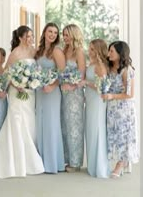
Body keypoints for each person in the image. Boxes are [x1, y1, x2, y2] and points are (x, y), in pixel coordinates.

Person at [0, 25, 44, 178]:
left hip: (30, 92)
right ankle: (15, 162)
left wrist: (33, 81)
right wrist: (17, 84)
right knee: (17, 122)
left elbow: (37, 70)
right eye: (28, 36)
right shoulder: (14, 54)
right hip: (16, 92)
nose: (30, 39)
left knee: (29, 121)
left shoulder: (33, 52)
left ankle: (28, 158)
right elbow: (6, 75)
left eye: (32, 36)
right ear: (20, 38)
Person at [102, 41, 139, 178]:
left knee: (124, 136)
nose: (109, 54)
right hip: (111, 108)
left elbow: (130, 94)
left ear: (120, 53)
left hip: (124, 109)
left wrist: (111, 95)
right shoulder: (109, 67)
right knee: (114, 135)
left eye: (112, 51)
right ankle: (122, 161)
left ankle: (121, 163)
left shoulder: (127, 70)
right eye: (109, 51)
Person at [35, 22, 66, 173]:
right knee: (40, 124)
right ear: (44, 32)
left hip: (52, 92)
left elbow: (62, 74)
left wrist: (52, 86)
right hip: (39, 91)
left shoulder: (57, 51)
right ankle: (41, 161)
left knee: (51, 124)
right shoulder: (39, 50)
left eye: (55, 32)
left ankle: (53, 163)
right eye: (50, 31)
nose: (52, 34)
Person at [61, 24, 86, 172]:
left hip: (74, 94)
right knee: (64, 125)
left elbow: (81, 74)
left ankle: (75, 162)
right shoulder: (64, 50)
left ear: (74, 35)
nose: (64, 38)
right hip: (63, 92)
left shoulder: (79, 52)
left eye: (67, 35)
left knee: (74, 127)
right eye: (63, 35)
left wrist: (71, 86)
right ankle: (67, 158)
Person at [84, 39, 110, 178]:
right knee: (91, 130)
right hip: (89, 99)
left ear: (99, 51)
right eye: (89, 48)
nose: (90, 51)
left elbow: (102, 87)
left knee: (97, 129)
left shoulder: (100, 66)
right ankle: (92, 164)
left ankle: (99, 166)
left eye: (93, 49)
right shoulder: (92, 63)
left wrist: (86, 82)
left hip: (97, 101)